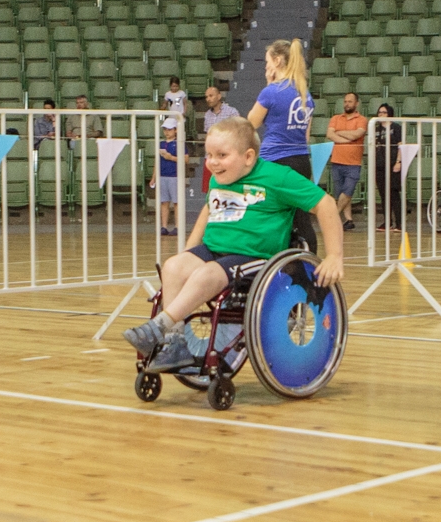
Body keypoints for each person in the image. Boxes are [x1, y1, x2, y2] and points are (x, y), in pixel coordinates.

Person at [122, 119, 344, 373]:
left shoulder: (277, 177)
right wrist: (188, 250)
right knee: (173, 267)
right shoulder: (220, 177)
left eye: (221, 155)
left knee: (207, 274)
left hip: (254, 256)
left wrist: (335, 255)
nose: (212, 162)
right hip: (215, 249)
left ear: (248, 157)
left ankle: (159, 326)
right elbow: (208, 210)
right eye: (208, 155)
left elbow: (325, 203)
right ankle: (175, 344)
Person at [246, 38, 317, 251]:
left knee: (266, 213)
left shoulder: (272, 91)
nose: (266, 66)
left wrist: (269, 85)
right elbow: (305, 136)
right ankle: (308, 263)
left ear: (277, 61)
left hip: (276, 162)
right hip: (302, 161)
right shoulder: (306, 94)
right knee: (300, 217)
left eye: (268, 61)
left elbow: (250, 124)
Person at [326, 91, 367, 231]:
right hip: (337, 161)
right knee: (340, 192)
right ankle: (349, 220)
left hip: (353, 163)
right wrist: (348, 138)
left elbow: (358, 134)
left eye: (350, 101)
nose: (347, 104)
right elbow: (329, 134)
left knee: (347, 192)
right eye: (345, 101)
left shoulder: (361, 119)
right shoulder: (336, 118)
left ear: (356, 103)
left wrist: (339, 133)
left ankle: (332, 217)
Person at [199, 84, 242, 194]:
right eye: (206, 97)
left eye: (211, 95)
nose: (208, 99)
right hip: (210, 157)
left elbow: (239, 131)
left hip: (225, 157)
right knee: (210, 190)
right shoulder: (207, 115)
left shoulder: (231, 112)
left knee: (226, 189)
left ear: (219, 96)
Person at [369, 104, 402, 231]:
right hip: (379, 165)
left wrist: (398, 162)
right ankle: (387, 222)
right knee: (383, 195)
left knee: (394, 194)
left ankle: (399, 223)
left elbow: (401, 146)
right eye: (379, 112)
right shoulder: (376, 129)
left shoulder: (396, 128)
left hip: (393, 164)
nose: (381, 115)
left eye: (384, 112)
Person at [157, 116, 182, 236]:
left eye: (170, 129)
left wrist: (171, 157)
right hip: (163, 175)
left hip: (174, 175)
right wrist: (154, 177)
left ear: (175, 130)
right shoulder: (161, 143)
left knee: (176, 202)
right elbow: (157, 162)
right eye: (165, 129)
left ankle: (177, 226)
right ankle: (164, 226)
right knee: (164, 202)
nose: (167, 132)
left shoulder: (179, 143)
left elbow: (185, 159)